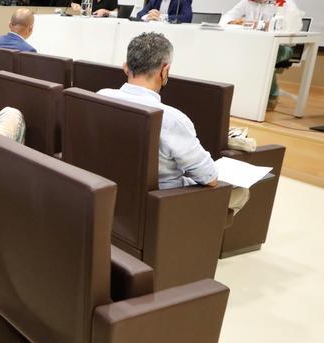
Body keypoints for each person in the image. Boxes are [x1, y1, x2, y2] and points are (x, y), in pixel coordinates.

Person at [97, 33, 247, 214]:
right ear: (164, 70)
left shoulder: (101, 96)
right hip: (163, 204)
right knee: (241, 191)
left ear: (126, 67)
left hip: (110, 195)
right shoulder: (171, 119)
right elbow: (209, 179)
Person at [221, 0, 300, 109]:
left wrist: (256, 24)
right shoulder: (248, 1)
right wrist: (235, 22)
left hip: (282, 47)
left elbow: (289, 25)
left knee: (261, 56)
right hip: (252, 45)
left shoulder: (285, 0)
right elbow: (225, 18)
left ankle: (271, 97)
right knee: (238, 53)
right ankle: (241, 95)